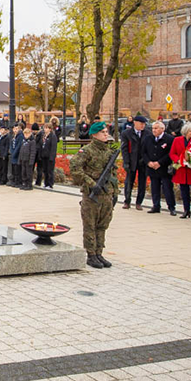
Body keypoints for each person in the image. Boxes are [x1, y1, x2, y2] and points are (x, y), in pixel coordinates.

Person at [70, 121, 118, 269]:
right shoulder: (87, 151)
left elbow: (113, 174)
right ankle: (91, 254)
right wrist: (91, 184)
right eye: (103, 132)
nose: (106, 134)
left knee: (102, 225)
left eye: (106, 132)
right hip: (92, 194)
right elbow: (75, 167)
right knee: (90, 225)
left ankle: (99, 252)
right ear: (95, 134)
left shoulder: (109, 151)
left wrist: (115, 192)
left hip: (106, 194)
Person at [142, 121, 175, 214]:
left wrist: (160, 162)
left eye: (156, 128)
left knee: (167, 188)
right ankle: (156, 206)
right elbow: (143, 152)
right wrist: (148, 162)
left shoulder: (169, 139)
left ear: (162, 129)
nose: (154, 130)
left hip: (164, 168)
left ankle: (171, 207)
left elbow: (171, 153)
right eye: (153, 128)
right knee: (154, 188)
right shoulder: (148, 138)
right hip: (152, 167)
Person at [122, 115, 147, 210]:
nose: (143, 126)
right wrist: (126, 162)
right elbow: (124, 149)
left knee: (142, 183)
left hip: (142, 162)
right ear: (135, 123)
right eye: (141, 123)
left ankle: (139, 202)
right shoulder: (127, 133)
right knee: (129, 182)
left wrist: (145, 159)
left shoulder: (147, 133)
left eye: (144, 124)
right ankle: (127, 201)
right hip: (131, 161)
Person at [36, 121, 58, 188]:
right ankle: (46, 183)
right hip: (43, 156)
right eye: (44, 128)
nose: (45, 129)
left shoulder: (53, 136)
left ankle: (50, 184)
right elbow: (40, 145)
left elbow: (53, 147)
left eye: (46, 128)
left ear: (50, 129)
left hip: (49, 156)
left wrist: (52, 157)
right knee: (45, 170)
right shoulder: (43, 136)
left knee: (49, 171)